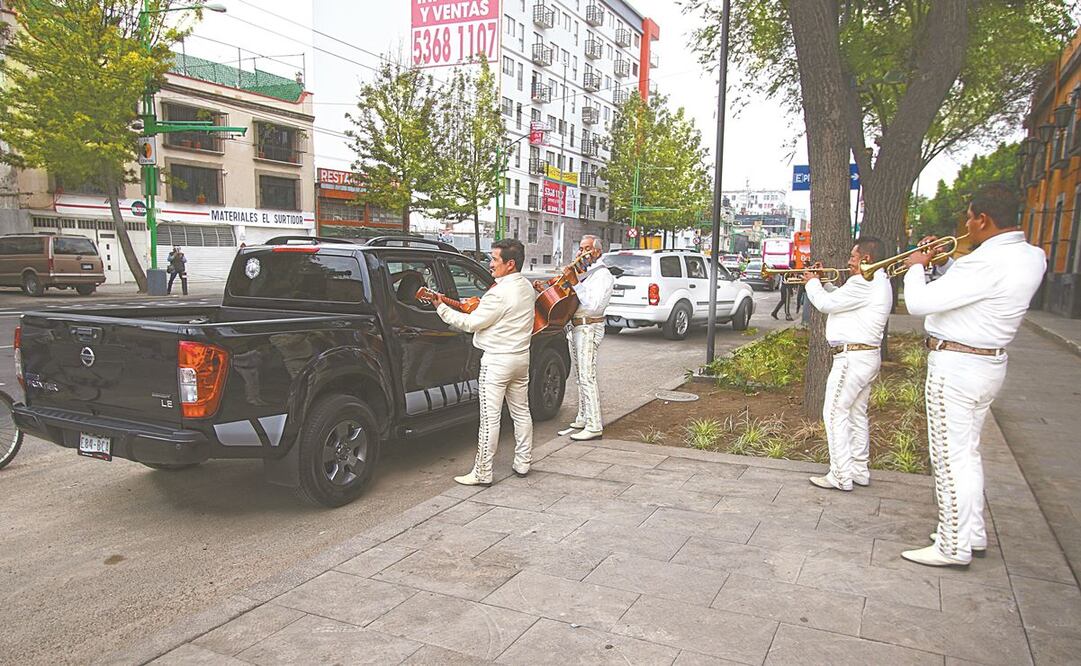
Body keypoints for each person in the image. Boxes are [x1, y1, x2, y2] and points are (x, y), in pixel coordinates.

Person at [899, 183, 1045, 568]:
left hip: (957, 367)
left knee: (950, 459)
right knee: (968, 454)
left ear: (983, 219)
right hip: (987, 364)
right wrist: (942, 264)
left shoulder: (983, 263)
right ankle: (971, 533)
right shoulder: (1033, 257)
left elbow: (918, 303)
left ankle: (952, 545)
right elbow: (972, 292)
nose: (966, 226)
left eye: (969, 219)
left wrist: (915, 267)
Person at [431, 239, 536, 487]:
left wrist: (441, 308)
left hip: (497, 361)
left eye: (495, 259)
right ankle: (523, 461)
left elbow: (471, 323)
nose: (490, 264)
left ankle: (482, 472)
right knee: (521, 412)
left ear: (510, 264)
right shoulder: (526, 286)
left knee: (490, 419)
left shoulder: (499, 293)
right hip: (521, 358)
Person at [802, 237, 893, 492]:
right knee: (855, 414)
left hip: (851, 359)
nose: (849, 262)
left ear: (866, 259)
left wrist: (811, 283)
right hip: (865, 357)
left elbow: (826, 304)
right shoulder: (877, 281)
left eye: (853, 257)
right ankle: (858, 470)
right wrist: (824, 282)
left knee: (834, 413)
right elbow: (841, 299)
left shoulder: (864, 282)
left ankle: (840, 475)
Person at [557, 235, 616, 442]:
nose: (581, 252)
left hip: (589, 327)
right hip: (577, 327)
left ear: (597, 252)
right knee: (580, 377)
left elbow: (593, 306)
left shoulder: (603, 276)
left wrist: (574, 282)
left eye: (586, 248)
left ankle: (594, 425)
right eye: (581, 248)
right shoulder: (587, 274)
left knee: (587, 377)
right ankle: (583, 417)